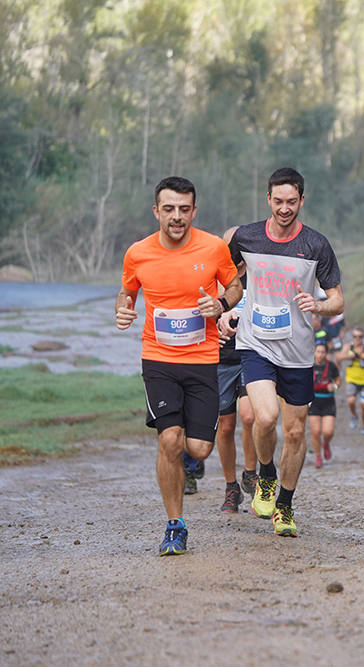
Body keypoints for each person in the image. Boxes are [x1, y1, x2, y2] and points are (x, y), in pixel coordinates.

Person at [115, 176, 242, 556]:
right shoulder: (138, 253)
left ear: (194, 211)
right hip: (158, 359)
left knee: (199, 449)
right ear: (156, 211)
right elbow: (127, 291)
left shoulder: (214, 247)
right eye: (168, 209)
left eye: (184, 209)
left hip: (203, 359)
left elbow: (234, 286)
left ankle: (184, 448)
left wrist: (221, 305)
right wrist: (123, 310)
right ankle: (175, 525)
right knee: (169, 440)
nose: (176, 217)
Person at [223, 167, 344, 538]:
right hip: (255, 343)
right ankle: (266, 474)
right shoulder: (245, 237)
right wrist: (226, 307)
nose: (285, 208)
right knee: (264, 417)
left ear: (302, 200)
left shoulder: (317, 245)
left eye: (292, 202)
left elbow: (338, 300)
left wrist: (318, 305)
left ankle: (285, 506)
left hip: (297, 351)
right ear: (268, 200)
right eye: (278, 201)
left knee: (294, 433)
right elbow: (225, 276)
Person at [213, 225, 259, 513]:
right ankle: (231, 486)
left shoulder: (257, 275)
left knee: (250, 415)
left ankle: (251, 475)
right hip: (220, 359)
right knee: (226, 425)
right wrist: (213, 326)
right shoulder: (214, 278)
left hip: (250, 353)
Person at [335, 327, 364, 435]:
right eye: (355, 336)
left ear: (363, 337)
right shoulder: (348, 347)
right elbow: (338, 358)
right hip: (351, 380)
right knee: (351, 401)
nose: (357, 339)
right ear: (352, 337)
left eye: (360, 336)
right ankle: (354, 416)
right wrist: (349, 356)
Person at [309, 339, 340, 468]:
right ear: (314, 352)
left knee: (328, 432)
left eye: (323, 352)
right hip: (314, 402)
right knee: (316, 432)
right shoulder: (308, 366)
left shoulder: (332, 366)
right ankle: (318, 457)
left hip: (328, 401)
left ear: (326, 353)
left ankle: (326, 444)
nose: (320, 354)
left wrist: (334, 386)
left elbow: (338, 381)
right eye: (318, 352)